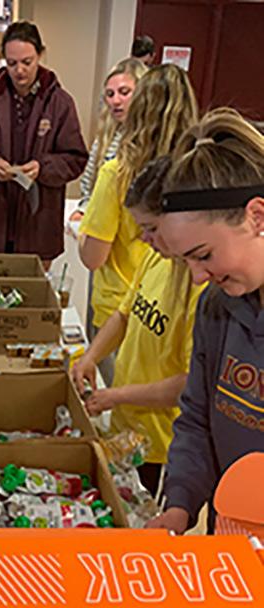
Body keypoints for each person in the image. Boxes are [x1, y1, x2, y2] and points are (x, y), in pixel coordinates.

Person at [146, 108, 264, 534]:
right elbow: (197, 417)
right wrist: (180, 503)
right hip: (231, 539)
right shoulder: (217, 308)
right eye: (186, 261)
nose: (197, 277)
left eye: (204, 255)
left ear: (257, 217)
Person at [73, 157, 204, 496]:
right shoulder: (155, 257)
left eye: (151, 229)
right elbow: (123, 314)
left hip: (161, 445)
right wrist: (91, 357)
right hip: (125, 424)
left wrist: (115, 395)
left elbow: (189, 383)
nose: (143, 238)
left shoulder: (201, 288)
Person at [78, 64, 198, 385]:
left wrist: (81, 235)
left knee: (119, 394)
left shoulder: (117, 172)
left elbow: (92, 257)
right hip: (168, 312)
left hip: (120, 306)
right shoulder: (193, 172)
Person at [0, 21, 88, 269]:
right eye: (11, 63)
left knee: (32, 301)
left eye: (27, 62)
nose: (19, 71)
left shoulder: (60, 104)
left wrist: (43, 167)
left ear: (40, 55)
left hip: (39, 224)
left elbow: (75, 158)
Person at [70, 58, 147, 220]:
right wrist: (84, 209)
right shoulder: (106, 135)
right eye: (110, 94)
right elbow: (89, 182)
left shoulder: (151, 137)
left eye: (124, 92)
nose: (115, 101)